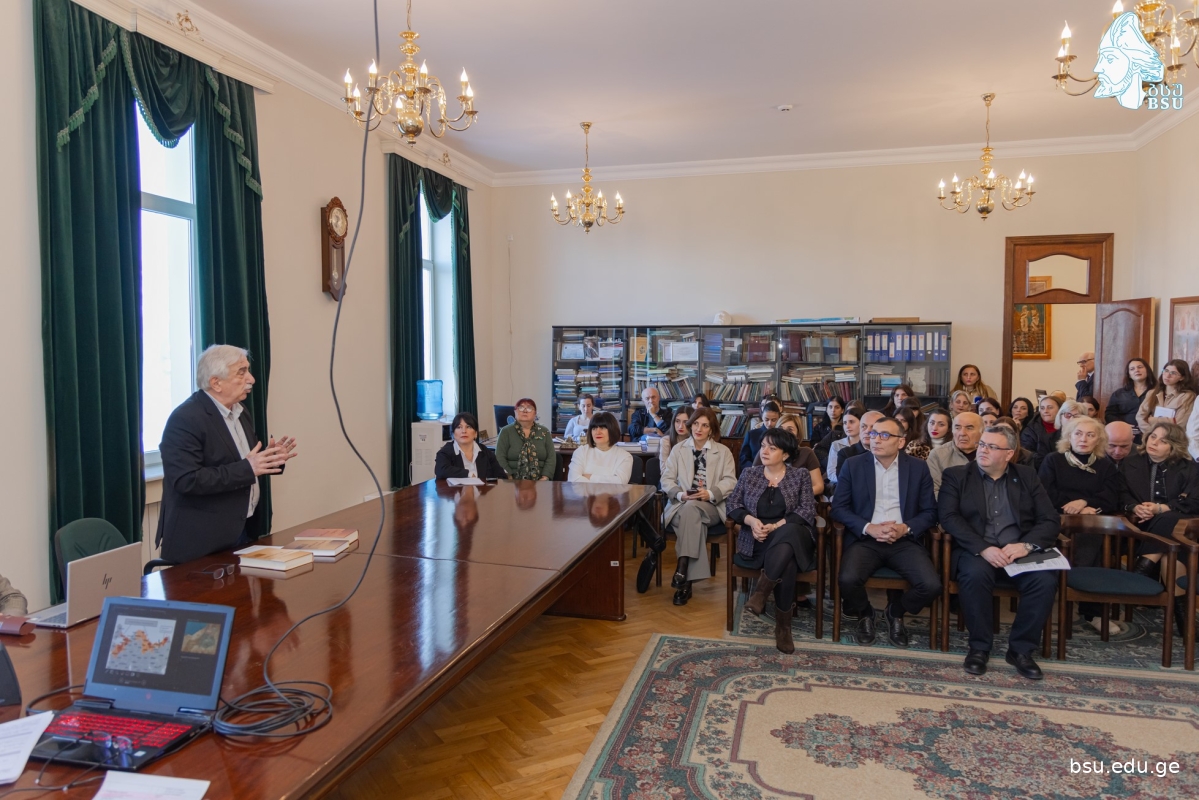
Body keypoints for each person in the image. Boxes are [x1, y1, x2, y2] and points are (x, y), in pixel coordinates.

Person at [939, 425, 1061, 680]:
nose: (983, 450)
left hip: (1019, 550)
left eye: (992, 447)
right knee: (974, 576)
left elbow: (1050, 520)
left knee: (1045, 580)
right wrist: (983, 548)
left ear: (1009, 454)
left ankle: (1020, 650)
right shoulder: (957, 475)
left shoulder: (1026, 476)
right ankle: (979, 648)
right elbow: (949, 517)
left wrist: (1025, 546)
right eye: (982, 444)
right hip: (978, 551)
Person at [157, 345, 298, 564]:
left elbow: (242, 462)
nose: (251, 379)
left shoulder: (241, 412)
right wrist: (249, 467)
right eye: (242, 372)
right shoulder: (185, 419)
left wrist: (270, 458)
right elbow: (186, 480)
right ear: (216, 383)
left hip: (242, 531)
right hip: (202, 544)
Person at [832, 416, 940, 648]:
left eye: (884, 435)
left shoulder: (918, 468)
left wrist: (905, 528)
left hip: (904, 540)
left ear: (900, 442)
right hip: (866, 539)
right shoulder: (853, 465)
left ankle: (895, 612)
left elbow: (930, 512)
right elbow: (838, 508)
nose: (875, 440)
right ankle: (866, 613)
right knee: (847, 580)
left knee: (931, 586)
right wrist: (868, 527)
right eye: (873, 434)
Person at [726, 428, 818, 653]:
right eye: (763, 446)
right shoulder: (750, 474)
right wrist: (751, 522)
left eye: (772, 448)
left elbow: (807, 510)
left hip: (794, 535)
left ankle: (760, 594)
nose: (764, 451)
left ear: (785, 454)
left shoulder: (800, 475)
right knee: (787, 560)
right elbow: (732, 504)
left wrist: (777, 525)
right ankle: (783, 628)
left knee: (790, 533)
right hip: (759, 540)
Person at [1038, 416, 1124, 633]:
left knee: (1092, 538)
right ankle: (1053, 603)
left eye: (1090, 435)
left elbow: (1111, 497)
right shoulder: (1053, 460)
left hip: (1089, 522)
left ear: (1098, 440)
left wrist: (1085, 503)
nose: (1083, 439)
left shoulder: (1105, 466)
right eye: (1078, 433)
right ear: (1068, 436)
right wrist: (1073, 506)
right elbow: (1045, 493)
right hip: (1056, 518)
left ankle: (1092, 611)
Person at [1119, 421, 1199, 634]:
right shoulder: (1131, 462)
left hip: (1180, 527)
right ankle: (1185, 622)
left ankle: (1142, 568)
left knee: (1169, 520)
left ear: (1174, 446)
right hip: (1139, 526)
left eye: (1163, 441)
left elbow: (1195, 501)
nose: (1154, 442)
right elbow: (1121, 493)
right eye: (1153, 436)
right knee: (1172, 551)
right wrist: (1135, 507)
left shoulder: (1189, 467)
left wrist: (1161, 508)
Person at [660, 407, 738, 605]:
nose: (698, 429)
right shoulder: (678, 449)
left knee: (692, 510)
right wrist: (681, 494)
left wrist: (710, 493)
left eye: (705, 425)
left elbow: (730, 481)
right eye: (695, 424)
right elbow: (666, 479)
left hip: (711, 506)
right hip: (680, 505)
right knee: (692, 516)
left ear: (712, 430)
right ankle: (685, 581)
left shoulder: (723, 452)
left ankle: (682, 566)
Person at [435, 412, 508, 480]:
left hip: (483, 490)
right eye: (459, 427)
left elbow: (501, 476)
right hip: (456, 490)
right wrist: (469, 474)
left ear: (475, 433)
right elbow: (441, 470)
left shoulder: (485, 451)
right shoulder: (445, 452)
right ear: (453, 434)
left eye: (468, 427)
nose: (464, 431)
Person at [496, 398, 556, 480]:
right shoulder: (506, 431)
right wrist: (509, 477)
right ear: (515, 412)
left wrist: (545, 478)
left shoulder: (544, 432)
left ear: (535, 413)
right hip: (512, 480)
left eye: (529, 408)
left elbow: (551, 457)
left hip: (540, 481)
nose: (525, 411)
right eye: (521, 407)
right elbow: (499, 458)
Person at [1136, 359, 1197, 439]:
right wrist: (1153, 434)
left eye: (1173, 373)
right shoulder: (1152, 393)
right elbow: (1140, 417)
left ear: (1182, 377)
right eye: (1166, 371)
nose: (1167, 375)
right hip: (1150, 437)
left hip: (1172, 439)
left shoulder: (1188, 396)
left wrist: (1151, 420)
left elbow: (1179, 423)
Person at [927, 412, 983, 497]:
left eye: (969, 428)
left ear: (982, 432)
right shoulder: (938, 455)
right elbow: (934, 491)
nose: (962, 433)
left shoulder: (991, 454)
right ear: (952, 431)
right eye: (957, 428)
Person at [567, 412, 633, 484]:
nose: (598, 432)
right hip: (583, 492)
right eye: (594, 428)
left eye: (602, 428)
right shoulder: (581, 452)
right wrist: (609, 480)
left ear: (612, 430)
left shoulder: (625, 457)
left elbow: (620, 482)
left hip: (609, 493)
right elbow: (573, 480)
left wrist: (590, 477)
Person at [1105, 358, 1155, 441]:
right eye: (1132, 369)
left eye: (1140, 367)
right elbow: (1109, 414)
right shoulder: (1119, 393)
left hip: (1151, 434)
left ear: (1147, 370)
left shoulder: (1157, 392)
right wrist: (1122, 425)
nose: (1136, 370)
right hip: (1125, 435)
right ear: (1129, 374)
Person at [775, 414, 825, 496]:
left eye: (790, 430)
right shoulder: (765, 452)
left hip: (799, 499)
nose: (784, 433)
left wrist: (797, 494)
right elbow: (754, 482)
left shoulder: (807, 453)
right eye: (780, 429)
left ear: (798, 435)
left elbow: (819, 487)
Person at [833, 410, 885, 484]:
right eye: (863, 426)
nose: (867, 431)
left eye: (873, 427)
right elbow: (843, 485)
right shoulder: (846, 454)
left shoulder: (890, 453)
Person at [825, 405, 864, 492]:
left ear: (862, 423)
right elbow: (831, 473)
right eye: (845, 423)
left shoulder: (868, 444)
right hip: (841, 485)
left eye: (851, 422)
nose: (847, 426)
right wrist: (848, 481)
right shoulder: (836, 444)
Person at [1020, 395, 1062, 471]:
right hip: (1038, 470)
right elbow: (1028, 454)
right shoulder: (1030, 430)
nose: (1045, 411)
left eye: (1050, 407)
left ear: (1060, 409)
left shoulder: (1067, 427)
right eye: (1042, 408)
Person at [740, 400, 782, 471]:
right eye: (766, 419)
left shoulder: (782, 436)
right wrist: (753, 469)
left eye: (774, 420)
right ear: (762, 417)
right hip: (754, 471)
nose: (770, 423)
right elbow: (743, 458)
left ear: (779, 418)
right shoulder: (751, 435)